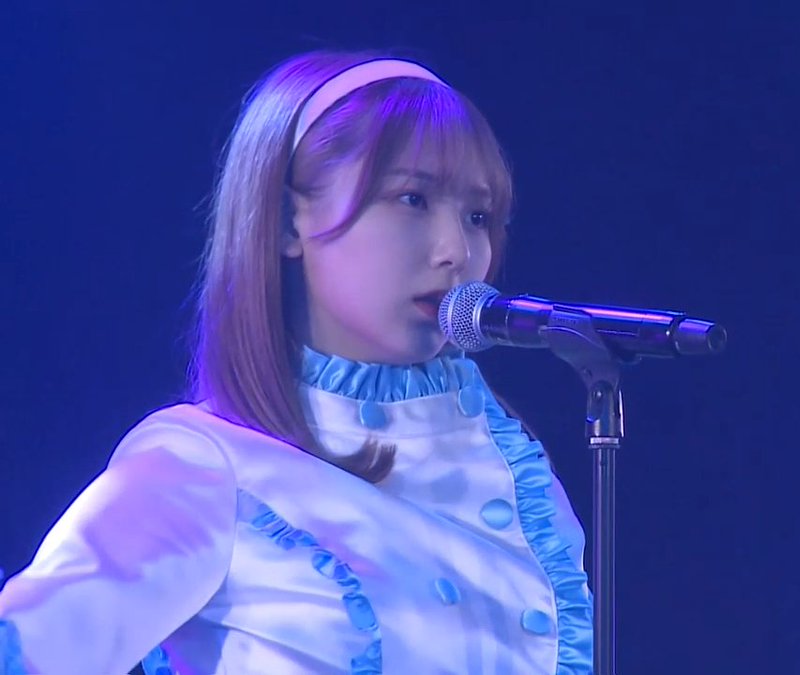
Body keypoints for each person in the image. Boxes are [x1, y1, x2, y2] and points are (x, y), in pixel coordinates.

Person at [0, 50, 593, 674]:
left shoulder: (512, 474)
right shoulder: (202, 465)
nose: (457, 251)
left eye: (477, 217)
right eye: (413, 199)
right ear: (288, 221)